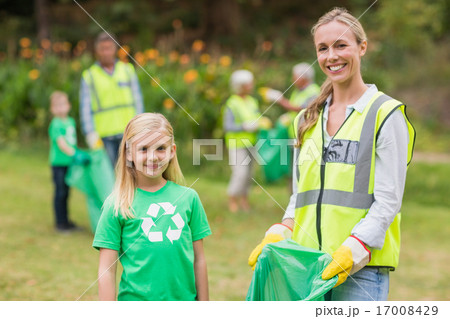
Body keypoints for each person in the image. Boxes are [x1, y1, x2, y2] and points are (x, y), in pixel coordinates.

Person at [248, 7, 415, 301]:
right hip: (305, 265)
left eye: (341, 45)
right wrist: (283, 228)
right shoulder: (306, 120)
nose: (331, 56)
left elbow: (389, 199)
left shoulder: (385, 115)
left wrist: (356, 247)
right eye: (323, 49)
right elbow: (302, 194)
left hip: (361, 270)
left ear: (362, 47)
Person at [93, 113, 211, 301]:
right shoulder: (117, 205)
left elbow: (199, 260)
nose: (153, 157)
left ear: (172, 151)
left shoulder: (189, 198)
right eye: (144, 149)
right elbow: (106, 271)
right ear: (129, 153)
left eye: (161, 148)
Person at [80, 32, 144, 167]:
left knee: (131, 175)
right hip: (103, 137)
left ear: (115, 49)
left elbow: (138, 101)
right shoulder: (89, 76)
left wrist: (140, 127)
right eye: (103, 49)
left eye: (109, 48)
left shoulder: (127, 70)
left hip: (128, 133)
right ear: (97, 51)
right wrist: (90, 134)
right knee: (109, 180)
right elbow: (85, 108)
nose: (106, 52)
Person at [48, 91, 90, 232]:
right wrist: (75, 154)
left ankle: (66, 221)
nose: (60, 108)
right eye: (57, 105)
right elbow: (62, 144)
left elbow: (72, 142)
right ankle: (60, 223)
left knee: (66, 193)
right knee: (60, 193)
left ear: (69, 106)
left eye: (63, 104)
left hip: (69, 164)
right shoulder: (56, 124)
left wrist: (78, 151)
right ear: (52, 109)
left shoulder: (71, 122)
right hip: (59, 164)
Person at [223, 70, 262, 213]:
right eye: (248, 83)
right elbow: (227, 126)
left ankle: (244, 200)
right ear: (240, 86)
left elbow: (257, 118)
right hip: (237, 144)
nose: (252, 85)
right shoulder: (232, 103)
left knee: (249, 174)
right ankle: (232, 199)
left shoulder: (252, 101)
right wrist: (244, 126)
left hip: (252, 143)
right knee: (240, 173)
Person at [265, 63, 320, 138]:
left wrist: (281, 100)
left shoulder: (313, 91)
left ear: (303, 77)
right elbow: (292, 109)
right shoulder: (297, 92)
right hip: (295, 134)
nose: (293, 80)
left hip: (306, 135)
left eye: (295, 77)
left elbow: (302, 109)